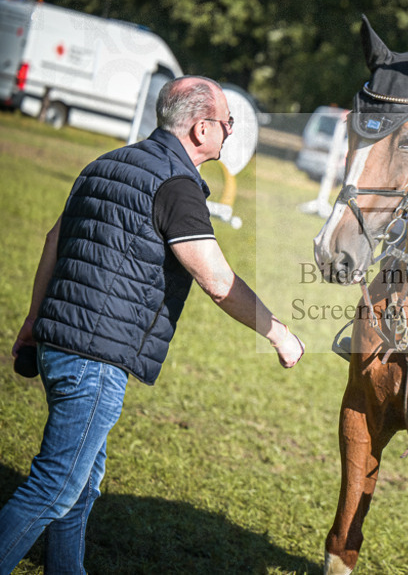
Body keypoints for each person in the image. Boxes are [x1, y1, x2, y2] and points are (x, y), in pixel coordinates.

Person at [0, 76, 306, 574]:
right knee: (53, 489)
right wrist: (279, 333)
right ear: (201, 128)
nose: (230, 132)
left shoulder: (105, 162)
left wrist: (34, 321)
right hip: (94, 362)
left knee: (78, 489)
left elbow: (54, 241)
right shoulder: (177, 185)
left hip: (59, 343)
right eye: (228, 123)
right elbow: (215, 278)